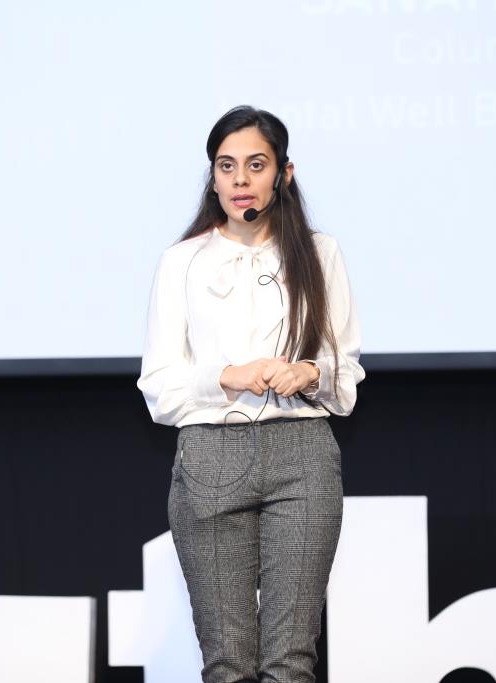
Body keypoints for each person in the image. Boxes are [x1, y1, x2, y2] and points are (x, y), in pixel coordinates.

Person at [137, 105, 365, 683]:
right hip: (211, 458)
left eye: (256, 165)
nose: (240, 180)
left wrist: (310, 372)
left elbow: (347, 373)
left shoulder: (319, 253)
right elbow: (158, 387)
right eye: (227, 166)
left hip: (303, 456)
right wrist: (225, 376)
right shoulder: (182, 261)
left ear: (284, 173)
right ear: (213, 178)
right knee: (228, 664)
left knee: (291, 662)